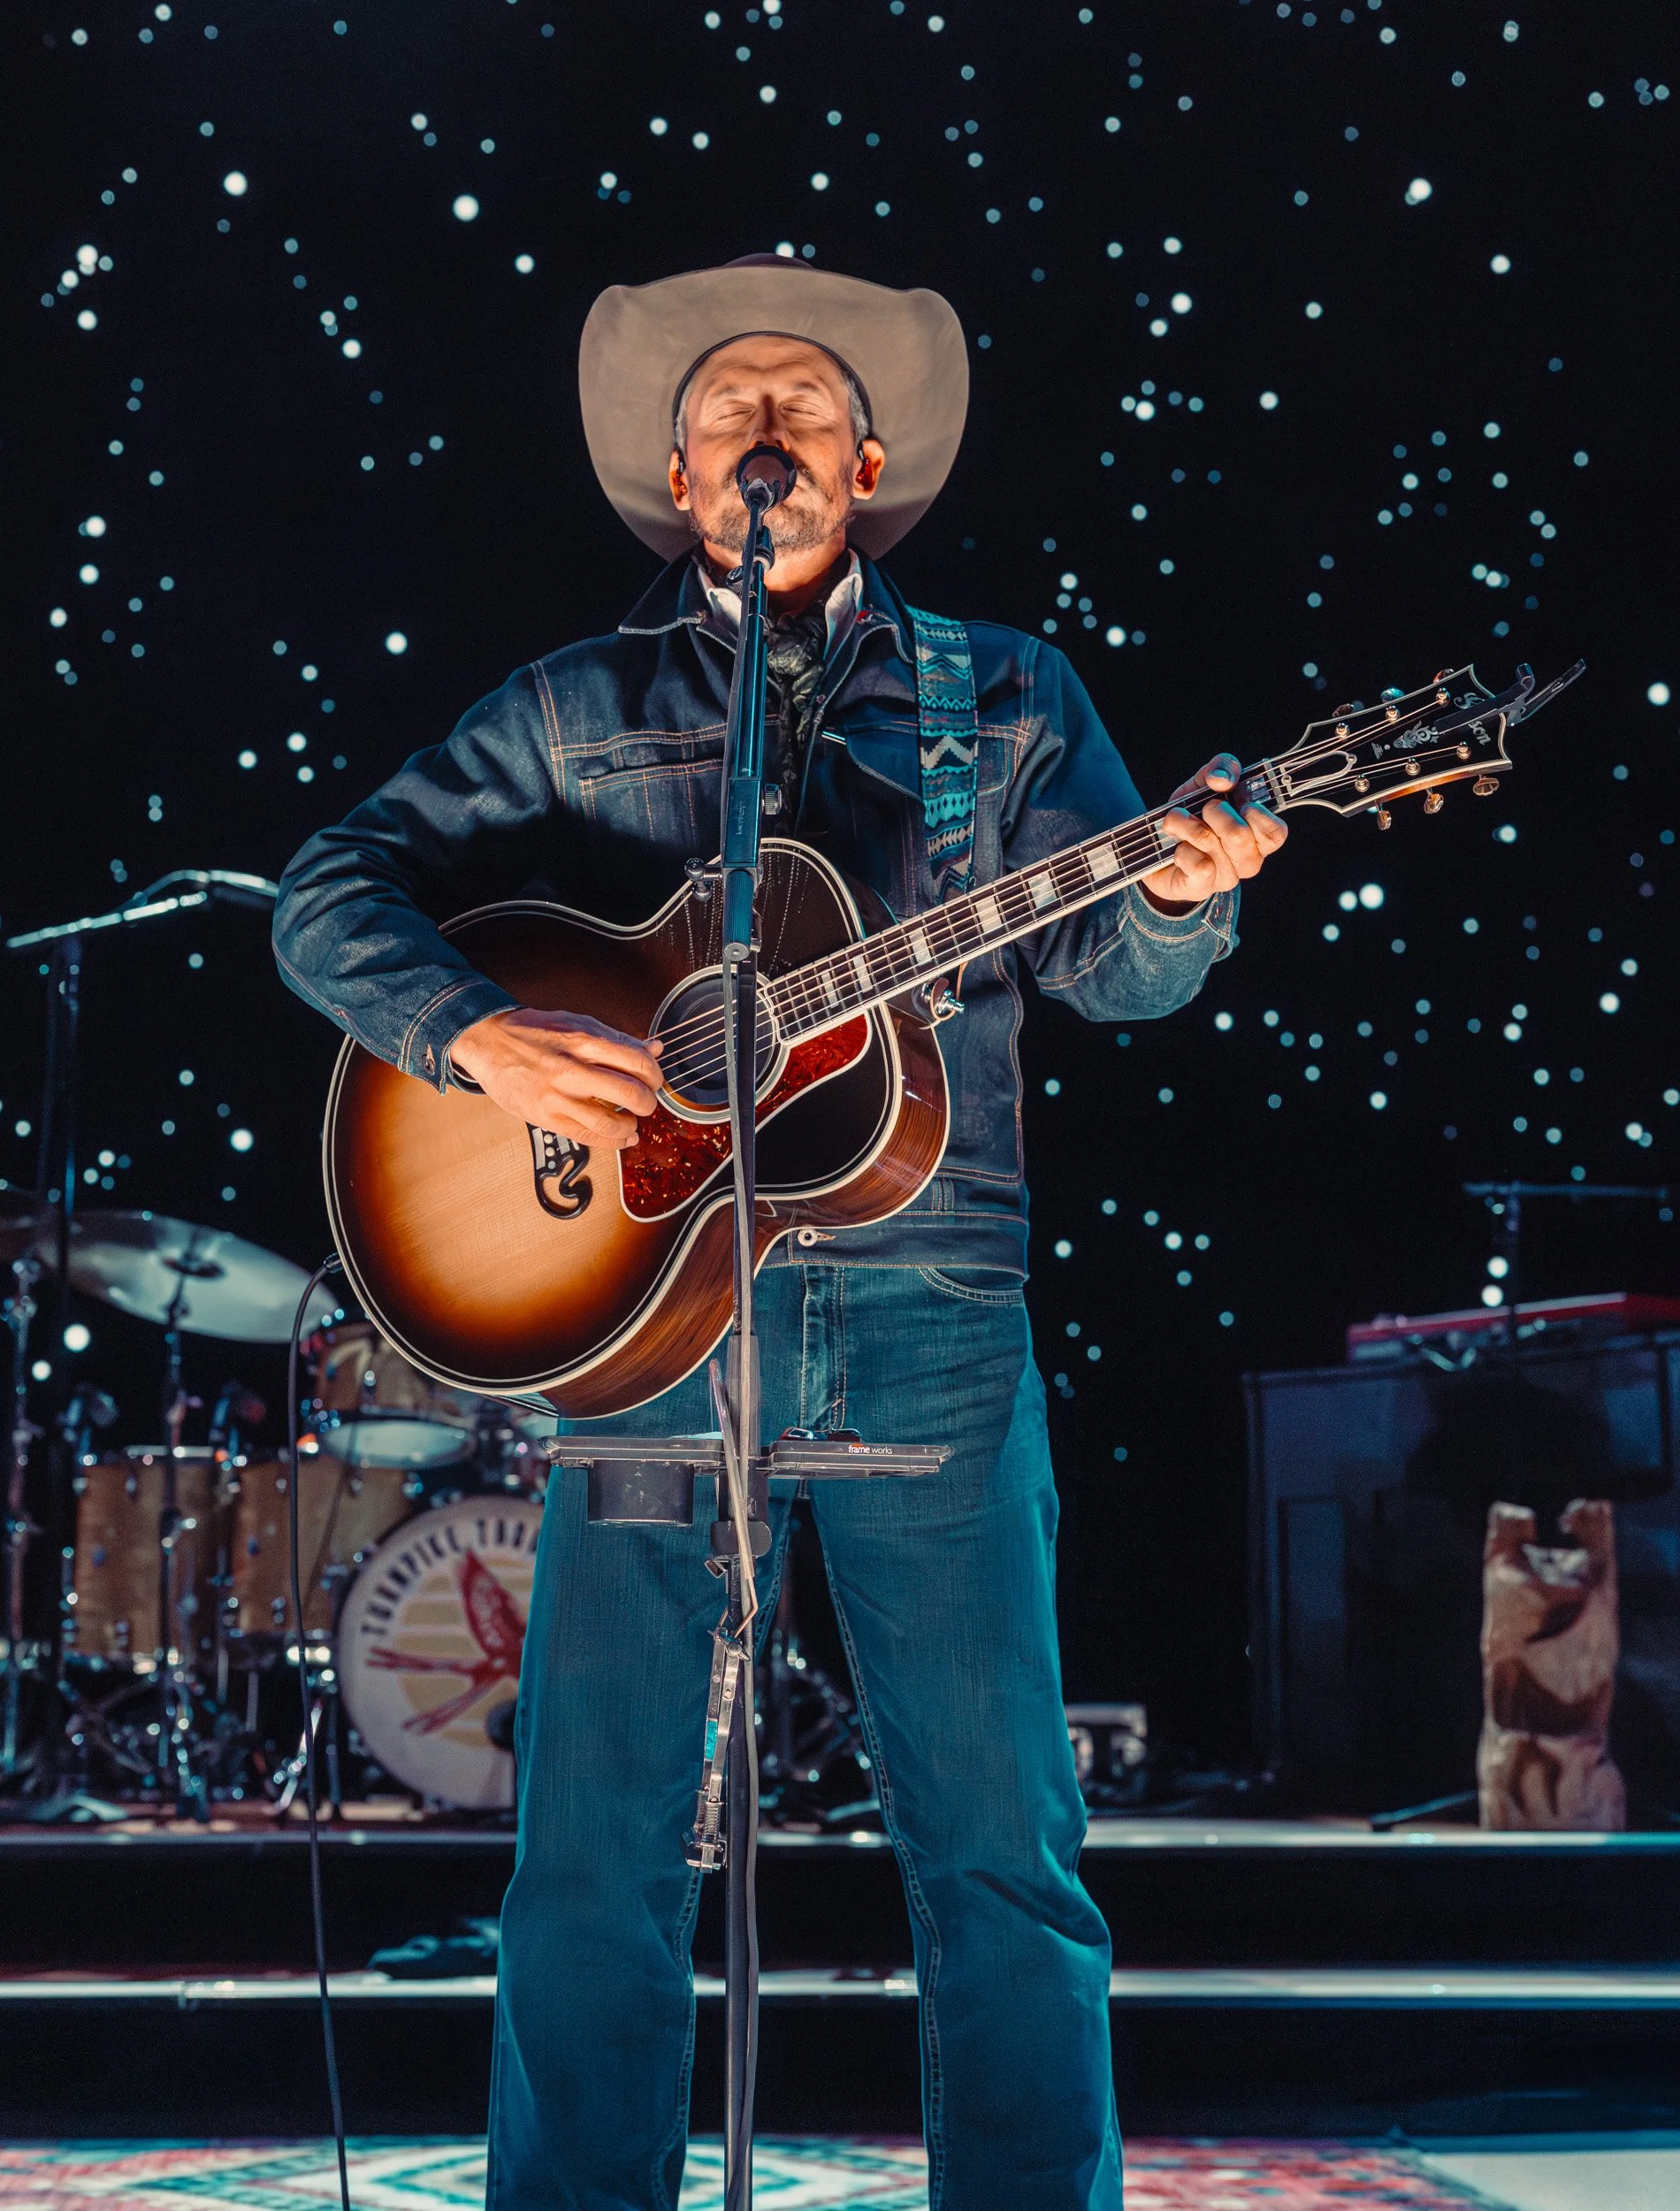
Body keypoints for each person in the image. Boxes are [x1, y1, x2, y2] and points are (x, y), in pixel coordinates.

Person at [273, 256, 1286, 2211]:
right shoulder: (575, 706)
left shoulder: (1000, 696)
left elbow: (1115, 971)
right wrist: (471, 1034)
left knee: (999, 1842)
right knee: (592, 1846)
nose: (766, 425)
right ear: (679, 467)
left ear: (869, 459)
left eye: (804, 402)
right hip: (642, 1320)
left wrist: (1183, 887)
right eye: (730, 401)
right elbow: (332, 886)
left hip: (931, 1297)